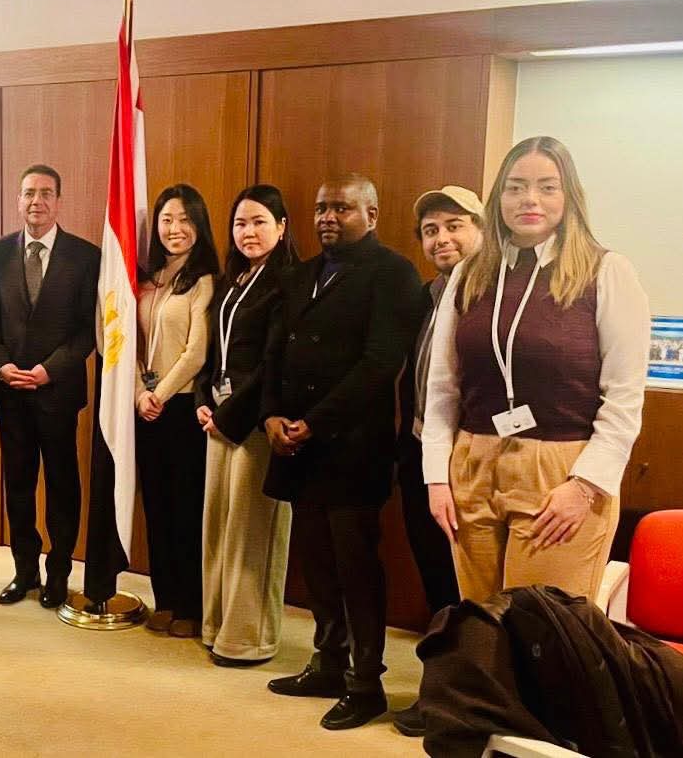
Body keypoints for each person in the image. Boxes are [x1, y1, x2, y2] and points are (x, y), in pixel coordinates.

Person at [422, 136, 650, 604]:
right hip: (473, 464)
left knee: (543, 628)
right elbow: (442, 387)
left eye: (547, 187)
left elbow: (625, 396)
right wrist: (437, 478)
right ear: (498, 198)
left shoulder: (606, 271)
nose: (530, 199)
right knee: (483, 625)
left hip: (561, 470)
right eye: (516, 187)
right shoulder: (469, 273)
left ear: (569, 197)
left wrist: (585, 486)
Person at [262, 173, 423, 730]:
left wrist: (314, 422)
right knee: (317, 563)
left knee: (356, 568)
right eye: (321, 208)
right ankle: (327, 663)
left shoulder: (394, 273)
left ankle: (365, 682)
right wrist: (270, 415)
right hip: (296, 447)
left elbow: (380, 364)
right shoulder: (300, 273)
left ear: (371, 215)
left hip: (352, 448)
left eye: (341, 208)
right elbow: (274, 354)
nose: (327, 217)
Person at [0, 164, 99, 609]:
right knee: (18, 485)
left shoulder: (85, 256)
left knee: (62, 485)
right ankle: (24, 570)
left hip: (57, 393)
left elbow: (89, 330)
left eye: (46, 193)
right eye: (29, 192)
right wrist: (1, 366)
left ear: (58, 201)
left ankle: (59, 573)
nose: (37, 201)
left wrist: (51, 369)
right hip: (10, 393)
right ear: (19, 200)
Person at [392, 184, 484, 737]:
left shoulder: (493, 294)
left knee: (468, 588)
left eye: (454, 226)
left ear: (482, 230)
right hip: (419, 450)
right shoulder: (428, 296)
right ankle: (440, 692)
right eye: (430, 231)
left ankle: (465, 704)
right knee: (436, 581)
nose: (441, 239)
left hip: (471, 459)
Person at [194, 184, 297, 666]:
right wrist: (203, 401)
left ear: (281, 226)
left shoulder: (288, 282)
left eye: (259, 222)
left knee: (253, 531)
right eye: (240, 223)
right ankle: (217, 626)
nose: (248, 232)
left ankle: (248, 639)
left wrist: (228, 416)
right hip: (218, 419)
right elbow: (212, 353)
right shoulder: (233, 279)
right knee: (220, 525)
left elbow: (275, 361)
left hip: (256, 422)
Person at [136, 184, 218, 639]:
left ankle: (190, 604)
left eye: (185, 219)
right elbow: (126, 341)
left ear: (199, 225)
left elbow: (196, 352)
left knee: (186, 509)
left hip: (182, 407)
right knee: (157, 507)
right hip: (144, 408)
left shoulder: (204, 280)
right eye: (167, 219)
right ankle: (165, 597)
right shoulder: (148, 277)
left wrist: (160, 395)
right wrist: (138, 393)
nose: (175, 228)